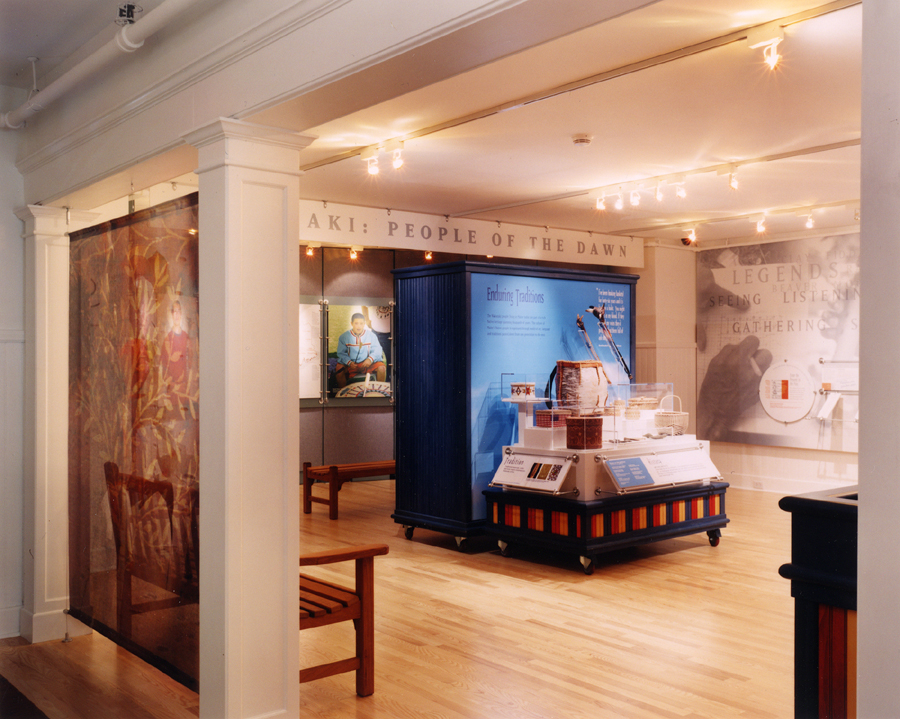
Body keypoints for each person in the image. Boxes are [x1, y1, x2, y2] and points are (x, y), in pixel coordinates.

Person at [334, 312, 386, 388]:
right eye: (356, 323)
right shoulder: (343, 337)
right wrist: (349, 362)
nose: (359, 326)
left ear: (364, 324)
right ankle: (343, 393)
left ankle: (379, 390)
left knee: (382, 368)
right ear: (351, 323)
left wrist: (370, 359)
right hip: (351, 365)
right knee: (339, 369)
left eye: (361, 323)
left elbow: (378, 350)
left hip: (367, 364)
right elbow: (341, 353)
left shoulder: (371, 335)